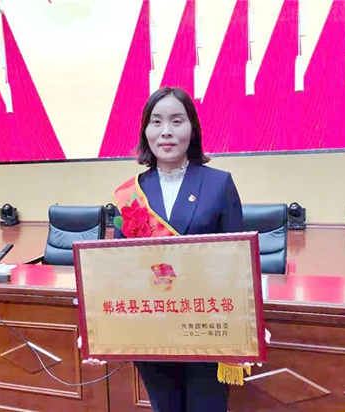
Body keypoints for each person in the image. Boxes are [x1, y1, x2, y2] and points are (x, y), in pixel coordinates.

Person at [83, 87, 246, 412]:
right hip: (152, 327)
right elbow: (120, 271)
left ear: (192, 129)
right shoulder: (131, 193)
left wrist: (249, 321)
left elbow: (238, 264)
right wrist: (98, 326)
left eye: (177, 121)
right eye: (156, 122)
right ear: (146, 131)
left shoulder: (219, 184)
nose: (166, 131)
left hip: (206, 325)